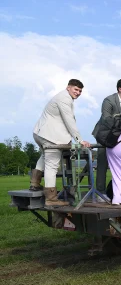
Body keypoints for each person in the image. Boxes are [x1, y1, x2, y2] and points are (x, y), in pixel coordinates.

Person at [31, 79, 91, 207]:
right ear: (68, 87)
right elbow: (69, 120)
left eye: (80, 91)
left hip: (40, 133)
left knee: (45, 156)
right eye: (76, 89)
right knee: (52, 165)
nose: (78, 92)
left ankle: (34, 183)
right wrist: (79, 140)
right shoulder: (64, 98)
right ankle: (51, 198)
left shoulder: (62, 96)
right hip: (50, 136)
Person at [92, 78, 121, 194]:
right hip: (104, 134)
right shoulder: (108, 100)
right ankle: (100, 192)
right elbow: (107, 119)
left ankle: (120, 191)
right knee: (102, 163)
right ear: (120, 89)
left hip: (120, 136)